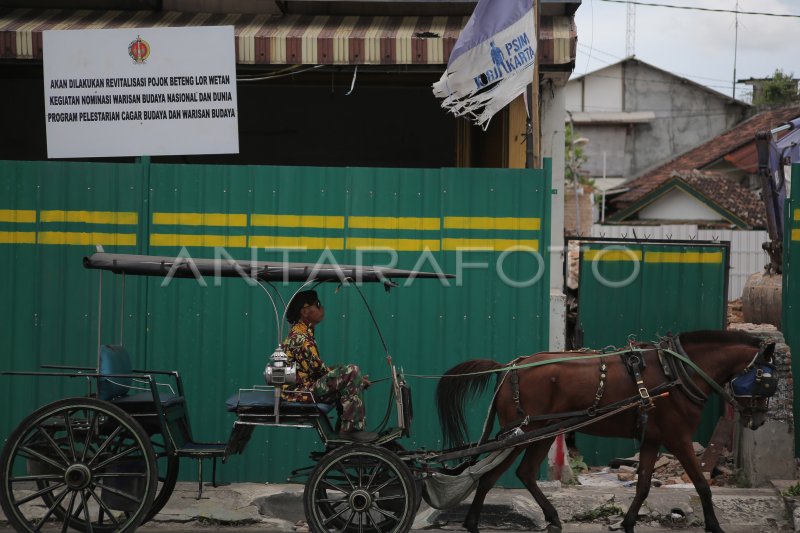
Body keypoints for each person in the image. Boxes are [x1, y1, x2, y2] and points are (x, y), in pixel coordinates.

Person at [281, 290, 374, 441]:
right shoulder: (299, 338)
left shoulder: (304, 332)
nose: (322, 308)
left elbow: (319, 371)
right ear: (305, 312)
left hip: (303, 388)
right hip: (299, 393)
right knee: (351, 370)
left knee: (346, 372)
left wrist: (354, 381)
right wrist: (352, 378)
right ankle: (350, 430)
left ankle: (346, 430)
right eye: (317, 304)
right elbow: (319, 371)